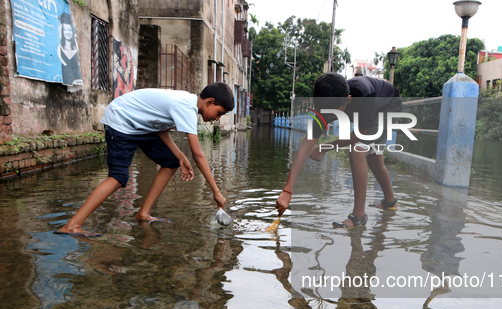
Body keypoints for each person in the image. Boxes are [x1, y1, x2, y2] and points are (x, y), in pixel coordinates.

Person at [56, 83, 233, 237]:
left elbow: (160, 128)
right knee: (118, 177)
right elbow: (199, 154)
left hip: (141, 127)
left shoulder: (187, 103)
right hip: (121, 121)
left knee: (170, 162)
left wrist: (179, 156)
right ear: (210, 102)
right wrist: (216, 192)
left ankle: (143, 213)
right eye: (219, 113)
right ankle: (72, 225)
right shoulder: (186, 107)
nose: (217, 119)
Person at [276, 73, 400, 228]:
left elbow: (358, 135)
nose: (329, 117)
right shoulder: (328, 102)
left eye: (333, 114)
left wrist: (324, 147)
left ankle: (358, 216)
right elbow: (304, 149)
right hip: (372, 107)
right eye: (325, 113)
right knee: (374, 159)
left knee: (357, 151)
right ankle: (390, 201)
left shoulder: (363, 94)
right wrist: (287, 191)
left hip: (388, 107)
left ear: (348, 99)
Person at [57, 13, 83, 87]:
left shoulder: (75, 50)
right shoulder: (59, 49)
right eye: (65, 30)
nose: (67, 32)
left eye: (69, 30)